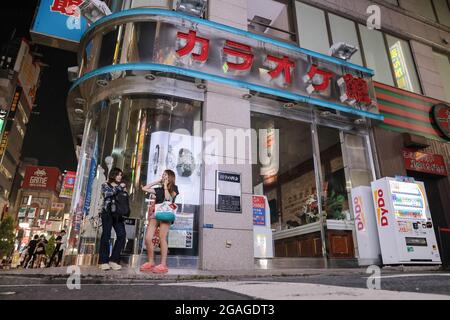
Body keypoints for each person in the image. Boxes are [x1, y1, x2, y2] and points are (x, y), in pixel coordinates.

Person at [140, 169, 179, 274]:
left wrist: (166, 186)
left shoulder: (174, 188)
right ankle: (151, 261)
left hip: (166, 214)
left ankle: (163, 264)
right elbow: (145, 188)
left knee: (162, 238)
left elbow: (168, 199)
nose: (163, 176)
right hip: (156, 214)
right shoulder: (158, 189)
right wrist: (157, 182)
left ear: (170, 177)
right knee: (148, 238)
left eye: (165, 175)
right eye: (163, 175)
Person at [98, 167, 127, 271]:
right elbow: (107, 194)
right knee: (106, 235)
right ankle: (103, 261)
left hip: (118, 215)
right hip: (107, 213)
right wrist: (119, 188)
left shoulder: (122, 186)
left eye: (121, 175)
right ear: (113, 175)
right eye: (118, 174)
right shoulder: (105, 184)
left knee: (122, 235)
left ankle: (113, 260)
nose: (120, 177)